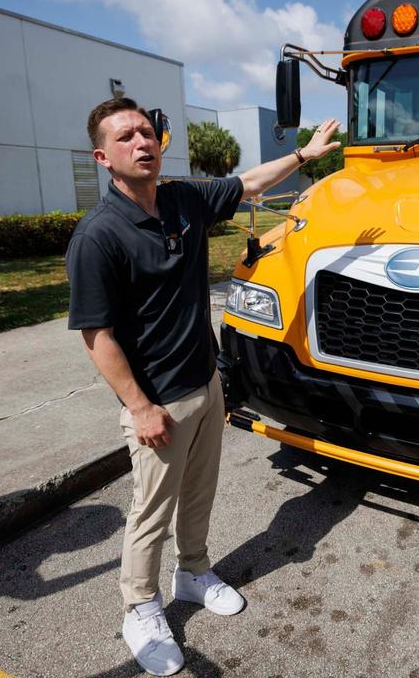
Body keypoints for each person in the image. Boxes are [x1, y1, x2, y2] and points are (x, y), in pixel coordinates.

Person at [66, 97, 340, 676]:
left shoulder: (183, 198)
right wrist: (139, 408)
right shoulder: (99, 235)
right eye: (125, 138)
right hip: (157, 402)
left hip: (205, 385)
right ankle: (139, 607)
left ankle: (192, 572)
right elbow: (98, 337)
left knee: (199, 494)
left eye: (146, 132)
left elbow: (246, 183)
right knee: (149, 512)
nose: (141, 142)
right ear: (103, 157)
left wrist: (303, 154)